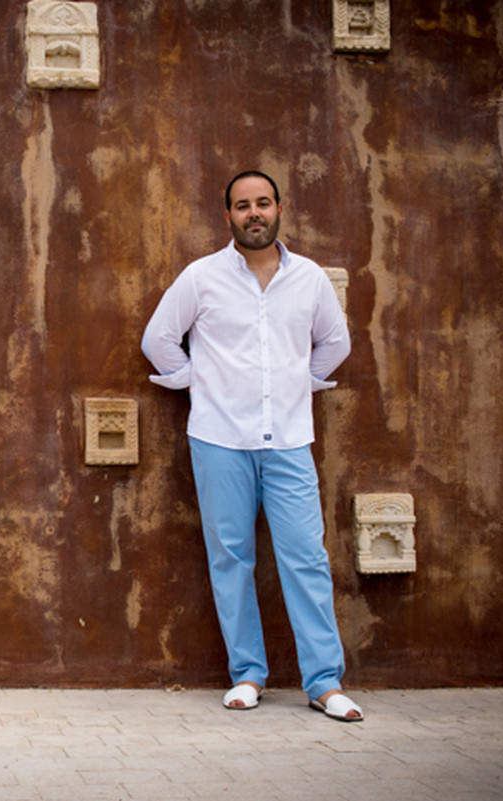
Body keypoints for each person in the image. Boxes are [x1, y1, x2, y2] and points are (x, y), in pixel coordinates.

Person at [141, 171, 362, 721]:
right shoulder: (202, 277)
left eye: (263, 203)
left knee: (306, 557)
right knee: (231, 557)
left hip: (289, 438)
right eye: (243, 206)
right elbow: (158, 340)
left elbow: (336, 342)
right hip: (218, 438)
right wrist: (200, 384)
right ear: (229, 216)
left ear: (280, 209)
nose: (254, 213)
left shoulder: (309, 279)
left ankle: (324, 682)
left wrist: (300, 383)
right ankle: (248, 674)